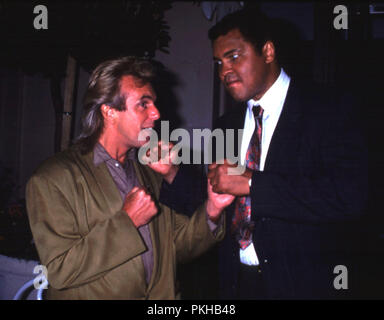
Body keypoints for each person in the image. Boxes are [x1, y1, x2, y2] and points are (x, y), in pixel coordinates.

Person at [164, 9, 368, 299]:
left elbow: (350, 197)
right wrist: (173, 172)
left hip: (303, 286)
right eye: (219, 63)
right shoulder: (226, 125)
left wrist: (252, 184)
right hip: (236, 285)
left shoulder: (328, 109)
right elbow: (213, 202)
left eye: (234, 56)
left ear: (268, 51)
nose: (224, 71)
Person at [25, 56, 234, 300]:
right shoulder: (53, 179)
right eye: (143, 104)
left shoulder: (149, 171)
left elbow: (175, 246)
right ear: (110, 111)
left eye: (154, 103)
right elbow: (59, 269)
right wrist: (127, 222)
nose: (156, 113)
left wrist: (212, 210)